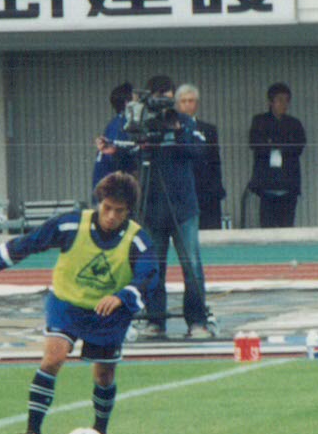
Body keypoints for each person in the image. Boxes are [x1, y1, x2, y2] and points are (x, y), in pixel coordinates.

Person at [0, 171, 158, 434]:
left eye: (119, 211)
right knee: (53, 357)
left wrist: (121, 297)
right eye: (107, 208)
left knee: (104, 375)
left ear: (129, 212)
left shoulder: (139, 240)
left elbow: (148, 277)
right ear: (99, 203)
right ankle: (32, 433)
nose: (111, 216)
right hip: (67, 303)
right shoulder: (72, 224)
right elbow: (35, 240)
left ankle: (100, 431)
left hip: (108, 312)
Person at [129, 74, 212, 338]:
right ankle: (155, 321)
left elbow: (200, 152)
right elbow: (129, 155)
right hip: (152, 208)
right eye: (158, 99)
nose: (163, 105)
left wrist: (177, 131)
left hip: (183, 208)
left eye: (167, 99)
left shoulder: (185, 122)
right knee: (154, 266)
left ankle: (197, 321)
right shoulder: (144, 125)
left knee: (192, 265)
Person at [248, 82, 306, 228]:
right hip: (267, 184)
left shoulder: (294, 124)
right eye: (279, 100)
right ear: (270, 102)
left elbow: (298, 147)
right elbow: (256, 144)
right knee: (267, 227)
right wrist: (282, 145)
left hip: (288, 184)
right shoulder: (260, 121)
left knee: (287, 227)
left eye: (286, 100)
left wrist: (273, 143)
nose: (284, 104)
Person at [178, 83, 225, 231]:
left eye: (191, 101)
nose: (187, 105)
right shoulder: (172, 130)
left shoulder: (208, 130)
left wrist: (217, 189)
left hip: (206, 191)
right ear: (177, 105)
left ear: (197, 104)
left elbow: (215, 161)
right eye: (183, 101)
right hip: (182, 191)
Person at [93, 81, 138, 191]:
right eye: (137, 101)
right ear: (128, 103)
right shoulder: (124, 125)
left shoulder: (114, 124)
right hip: (110, 188)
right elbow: (118, 157)